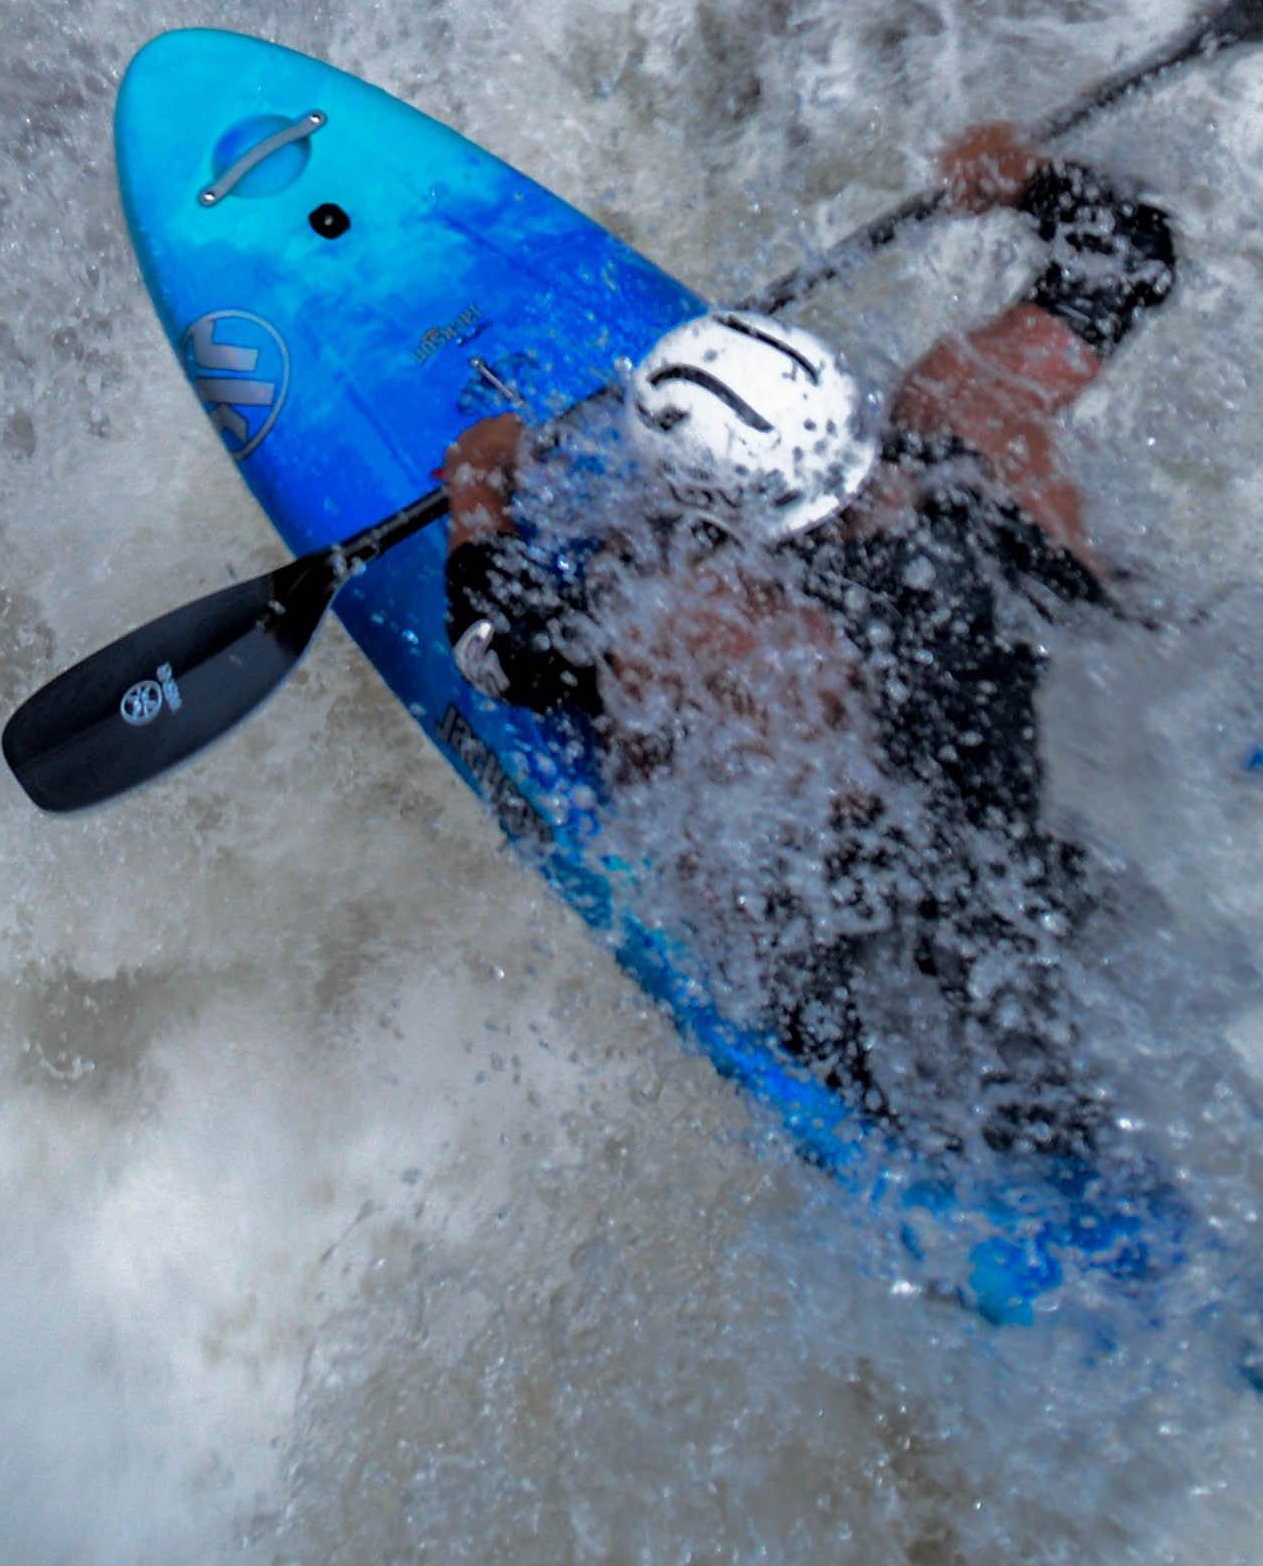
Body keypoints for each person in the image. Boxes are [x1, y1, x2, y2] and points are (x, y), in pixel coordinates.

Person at [436, 121, 1180, 1163]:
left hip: (926, 980)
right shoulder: (970, 423)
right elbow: (1133, 256)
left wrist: (478, 503)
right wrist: (1032, 183)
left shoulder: (702, 620)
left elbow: (500, 657)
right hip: (1082, 857)